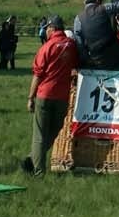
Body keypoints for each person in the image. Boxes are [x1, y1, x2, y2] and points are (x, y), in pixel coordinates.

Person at [21, 13, 79, 176]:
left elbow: (38, 74)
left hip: (45, 94)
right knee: (53, 132)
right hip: (62, 97)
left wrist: (30, 98)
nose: (45, 31)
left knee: (39, 135)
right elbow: (75, 65)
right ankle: (31, 159)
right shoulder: (71, 45)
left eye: (47, 28)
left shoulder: (46, 47)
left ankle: (38, 171)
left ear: (52, 28)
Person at [71, 0, 119, 72]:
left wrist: (88, 60)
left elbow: (80, 45)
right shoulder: (104, 8)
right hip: (115, 58)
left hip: (96, 61)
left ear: (85, 2)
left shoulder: (78, 19)